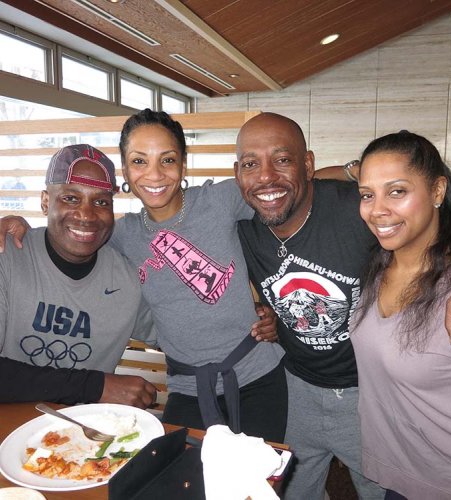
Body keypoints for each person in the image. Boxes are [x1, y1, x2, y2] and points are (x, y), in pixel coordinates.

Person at [233, 112, 451, 500]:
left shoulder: (358, 213)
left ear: (307, 165)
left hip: (373, 398)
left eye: (283, 159)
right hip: (299, 390)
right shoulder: (241, 220)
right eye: (250, 164)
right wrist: (276, 315)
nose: (266, 176)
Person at [0, 111, 285, 443]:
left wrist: (279, 310)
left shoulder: (219, 199)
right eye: (139, 161)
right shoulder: (120, 236)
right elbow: (68, 235)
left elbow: (289, 202)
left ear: (183, 163)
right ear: (125, 171)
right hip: (186, 386)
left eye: (167, 159)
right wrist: (14, 224)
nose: (154, 174)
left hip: (258, 373)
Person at [350, 131, 451, 499]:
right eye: (367, 194)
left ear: (437, 192)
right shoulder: (378, 267)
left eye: (397, 191)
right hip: (403, 478)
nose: (377, 209)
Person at [0, 144, 157, 408]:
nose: (86, 215)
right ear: (45, 201)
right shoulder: (8, 256)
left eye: (101, 202)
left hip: (85, 438)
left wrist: (244, 314)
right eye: (71, 198)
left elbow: (181, 334)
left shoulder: (128, 279)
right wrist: (95, 387)